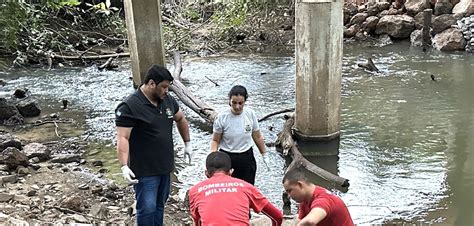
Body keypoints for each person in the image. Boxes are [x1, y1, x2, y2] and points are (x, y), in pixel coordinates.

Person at [115, 64, 193, 226]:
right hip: (144, 170)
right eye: (164, 87)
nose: (167, 91)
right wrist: (124, 165)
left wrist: (187, 143)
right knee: (147, 207)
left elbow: (181, 119)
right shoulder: (129, 106)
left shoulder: (168, 101)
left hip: (165, 166)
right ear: (151, 83)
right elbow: (123, 137)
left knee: (160, 204)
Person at [188, 151, 283, 226]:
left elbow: (198, 222)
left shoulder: (195, 191)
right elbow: (277, 216)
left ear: (206, 173)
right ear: (231, 171)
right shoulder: (246, 187)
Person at [210, 85, 267, 185]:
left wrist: (264, 154)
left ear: (245, 101)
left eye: (240, 103)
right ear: (229, 101)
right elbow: (215, 140)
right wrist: (213, 159)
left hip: (246, 156)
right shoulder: (222, 117)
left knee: (247, 188)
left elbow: (257, 136)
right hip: (227, 157)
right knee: (229, 189)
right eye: (234, 103)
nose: (237, 106)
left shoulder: (250, 114)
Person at [282, 169, 354, 226]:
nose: (288, 195)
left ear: (300, 185)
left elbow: (310, 221)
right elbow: (300, 220)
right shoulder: (305, 200)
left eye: (290, 191)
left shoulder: (323, 199)